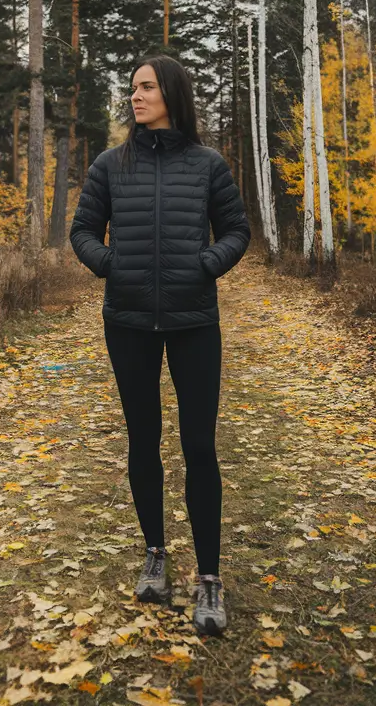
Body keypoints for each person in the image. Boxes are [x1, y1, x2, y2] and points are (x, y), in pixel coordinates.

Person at [69, 54, 251, 637]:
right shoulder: (109, 165)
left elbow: (237, 230)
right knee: (142, 440)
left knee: (199, 447)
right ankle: (154, 554)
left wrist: (206, 265)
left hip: (194, 321)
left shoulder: (207, 165)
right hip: (126, 322)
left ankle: (211, 580)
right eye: (131, 89)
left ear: (172, 92)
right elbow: (81, 230)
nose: (135, 97)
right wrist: (111, 266)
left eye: (145, 87)